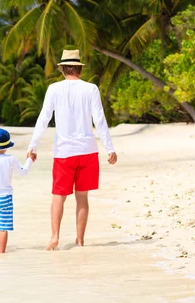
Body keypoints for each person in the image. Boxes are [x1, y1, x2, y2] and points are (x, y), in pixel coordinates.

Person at [26, 49, 118, 250]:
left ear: (61, 69)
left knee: (58, 196)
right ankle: (79, 240)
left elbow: (44, 118)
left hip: (64, 152)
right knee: (82, 197)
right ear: (79, 69)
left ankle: (54, 237)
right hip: (87, 151)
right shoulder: (91, 89)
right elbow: (99, 120)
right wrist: (109, 148)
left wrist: (32, 146)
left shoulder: (54, 89)